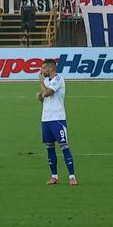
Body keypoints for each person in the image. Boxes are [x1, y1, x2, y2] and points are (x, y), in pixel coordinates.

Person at [37, 57, 77, 186]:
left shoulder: (58, 79)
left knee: (64, 146)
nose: (41, 70)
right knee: (50, 147)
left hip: (58, 119)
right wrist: (40, 97)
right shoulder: (47, 80)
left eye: (43, 68)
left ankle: (72, 176)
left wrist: (41, 82)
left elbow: (47, 93)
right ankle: (54, 176)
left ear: (50, 68)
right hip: (46, 119)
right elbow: (45, 98)